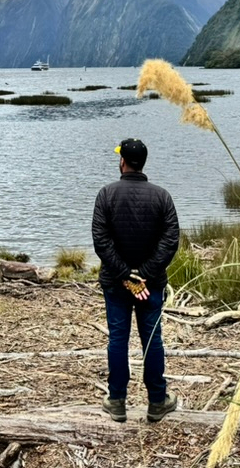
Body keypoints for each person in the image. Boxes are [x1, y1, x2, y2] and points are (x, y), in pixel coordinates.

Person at [92, 138, 180, 423]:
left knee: (118, 339)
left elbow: (101, 242)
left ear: (123, 162)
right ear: (142, 163)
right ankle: (157, 401)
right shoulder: (162, 197)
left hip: (116, 284)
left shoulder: (106, 195)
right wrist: (143, 275)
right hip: (150, 285)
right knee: (152, 340)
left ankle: (117, 400)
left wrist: (125, 276)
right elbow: (170, 241)